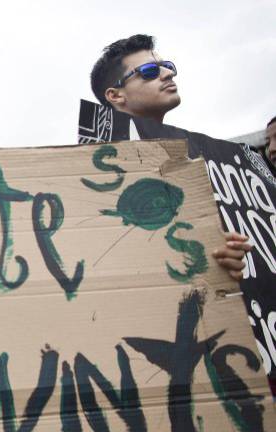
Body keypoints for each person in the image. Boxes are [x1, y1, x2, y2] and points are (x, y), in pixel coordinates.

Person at [88, 33, 252, 279]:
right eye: (150, 71)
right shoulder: (98, 169)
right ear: (115, 95)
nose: (167, 74)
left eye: (167, 66)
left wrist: (216, 255)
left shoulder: (200, 157)